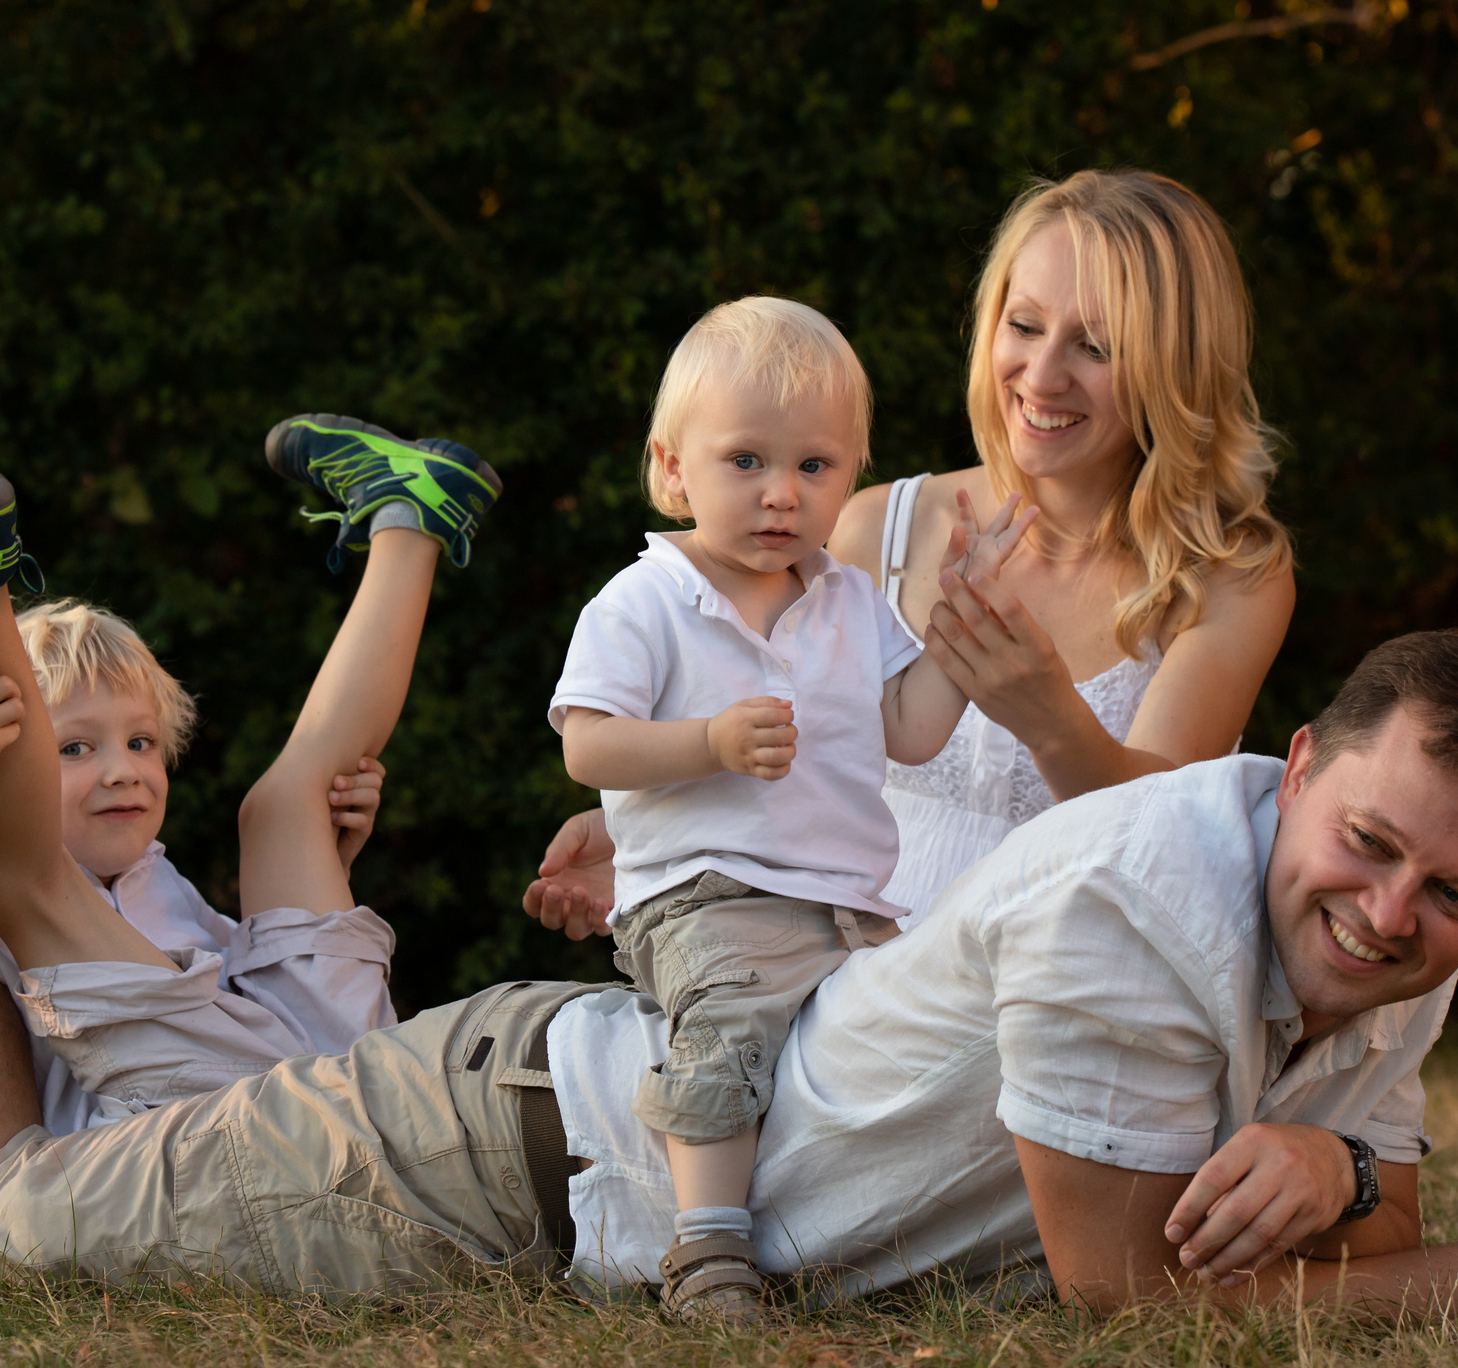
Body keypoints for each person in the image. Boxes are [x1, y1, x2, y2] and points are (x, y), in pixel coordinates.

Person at [0, 625, 1458, 1326]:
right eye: (1370, 844)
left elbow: (1366, 1198)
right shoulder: (1145, 894)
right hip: (500, 1156)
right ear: (1300, 765)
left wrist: (1343, 1168)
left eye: (1456, 897)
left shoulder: (1386, 937)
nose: (1389, 915)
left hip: (560, 1149)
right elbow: (1134, 1296)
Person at [526, 168, 1297, 939]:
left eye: (1094, 345)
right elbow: (785, 743)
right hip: (844, 971)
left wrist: (1054, 719)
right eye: (1025, 325)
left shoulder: (1230, 576)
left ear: (1176, 366)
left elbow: (1160, 843)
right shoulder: (870, 528)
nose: (1042, 374)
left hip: (1068, 980)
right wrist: (651, 838)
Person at [0, 420, 500, 1123]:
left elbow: (250, 995)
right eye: (73, 748)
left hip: (321, 1069)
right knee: (33, 865)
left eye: (140, 742)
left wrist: (327, 865)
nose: (122, 770)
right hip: (220, 1109)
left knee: (282, 809)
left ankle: (410, 511)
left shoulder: (159, 878)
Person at [551, 297, 1031, 1319]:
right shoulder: (644, 600)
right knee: (729, 1030)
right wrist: (708, 743)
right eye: (746, 462)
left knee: (873, 1056)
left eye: (815, 465)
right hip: (706, 893)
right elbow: (587, 743)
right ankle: (707, 1247)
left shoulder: (849, 598)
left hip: (852, 902)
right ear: (672, 467)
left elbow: (909, 728)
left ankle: (860, 1231)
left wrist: (960, 623)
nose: (782, 493)